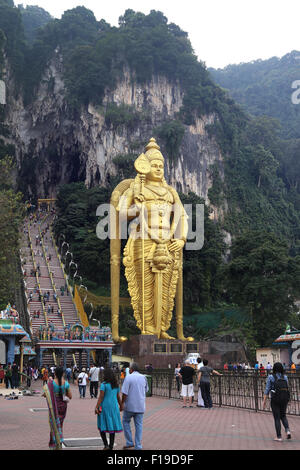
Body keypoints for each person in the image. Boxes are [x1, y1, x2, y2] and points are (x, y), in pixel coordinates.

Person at [120, 362, 148, 450]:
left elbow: (124, 393)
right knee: (139, 425)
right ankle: (138, 445)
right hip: (140, 405)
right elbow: (146, 390)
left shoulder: (128, 377)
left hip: (130, 406)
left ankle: (129, 442)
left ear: (131, 370)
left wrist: (122, 403)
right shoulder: (144, 377)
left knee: (125, 421)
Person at [43, 366, 72, 449]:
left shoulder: (51, 383)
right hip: (63, 406)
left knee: (53, 425)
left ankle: (54, 443)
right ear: (63, 373)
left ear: (54, 373)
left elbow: (46, 394)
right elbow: (70, 396)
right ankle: (59, 442)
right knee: (60, 425)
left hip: (53, 406)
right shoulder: (66, 383)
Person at [263, 362, 291, 441]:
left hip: (275, 399)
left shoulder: (271, 377)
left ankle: (279, 437)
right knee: (283, 416)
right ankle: (288, 431)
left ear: (274, 368)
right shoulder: (285, 377)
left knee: (277, 418)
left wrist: (264, 401)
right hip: (284, 399)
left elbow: (267, 389)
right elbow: (287, 388)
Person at [95, 368, 122, 450]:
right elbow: (118, 397)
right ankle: (111, 446)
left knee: (102, 424)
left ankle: (106, 445)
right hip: (114, 407)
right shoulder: (116, 385)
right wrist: (121, 405)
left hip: (105, 407)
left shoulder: (104, 384)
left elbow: (101, 397)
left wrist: (96, 407)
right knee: (112, 426)